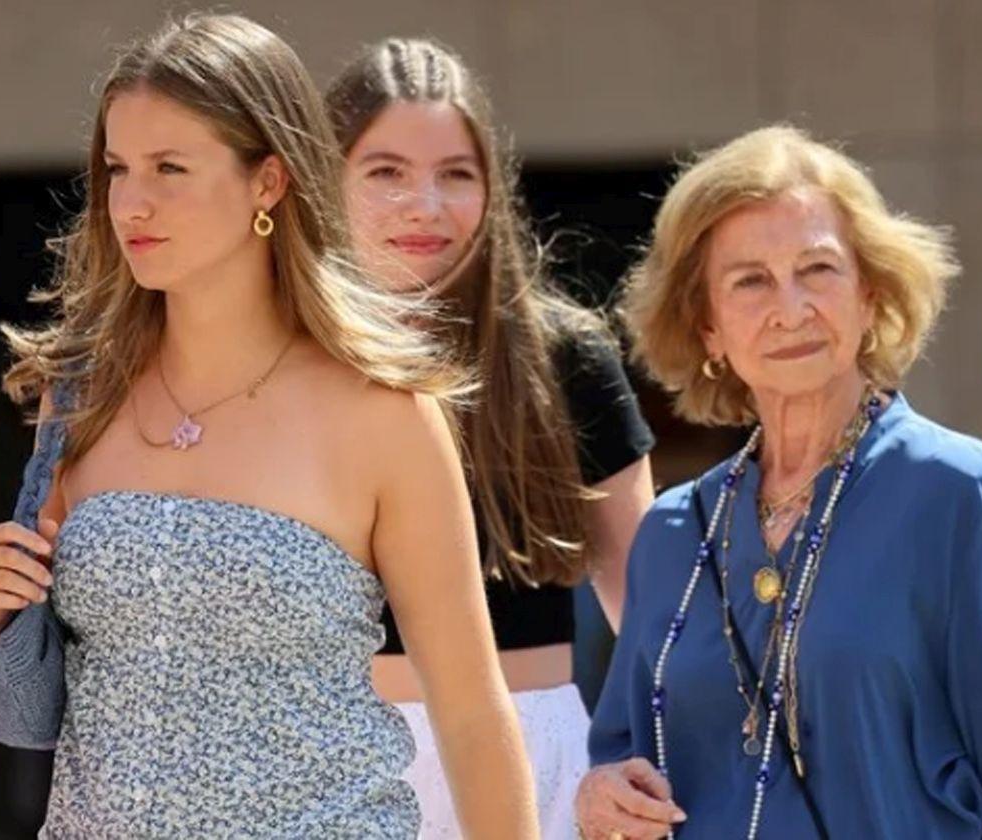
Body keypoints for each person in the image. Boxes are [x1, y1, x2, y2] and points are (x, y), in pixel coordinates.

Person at [0, 14, 538, 838]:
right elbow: (62, 677)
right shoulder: (80, 394)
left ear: (267, 182)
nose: (132, 201)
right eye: (118, 168)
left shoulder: (386, 413)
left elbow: (473, 715)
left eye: (170, 167)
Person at [576, 125, 982, 839]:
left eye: (819, 270)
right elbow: (625, 754)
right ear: (707, 326)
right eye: (750, 281)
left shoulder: (952, 494)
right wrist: (601, 797)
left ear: (870, 295)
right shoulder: (673, 535)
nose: (790, 308)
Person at [326, 38, 656, 838]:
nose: (425, 204)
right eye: (387, 172)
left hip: (537, 761)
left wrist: (633, 761)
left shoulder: (564, 356)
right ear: (323, 178)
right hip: (322, 766)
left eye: (456, 174)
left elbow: (652, 621)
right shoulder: (278, 365)